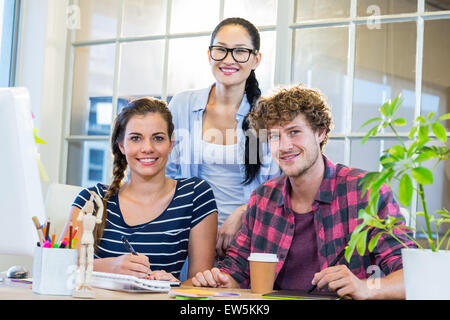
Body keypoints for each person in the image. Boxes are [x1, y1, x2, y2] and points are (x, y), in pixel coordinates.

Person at [191, 85, 417, 299]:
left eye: (294, 132)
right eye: (274, 136)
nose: (284, 146)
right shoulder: (262, 199)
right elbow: (235, 271)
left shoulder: (365, 191)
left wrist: (366, 287)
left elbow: (414, 276)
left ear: (320, 132)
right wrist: (220, 280)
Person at [63, 97, 218, 282]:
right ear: (121, 145)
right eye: (136, 138)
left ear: (171, 144)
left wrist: (174, 286)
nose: (147, 148)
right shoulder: (92, 199)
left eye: (158, 138)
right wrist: (110, 267)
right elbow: (60, 267)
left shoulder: (195, 195)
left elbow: (201, 285)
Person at [167, 17, 280, 257]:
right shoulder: (182, 104)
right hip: (187, 240)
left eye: (240, 52)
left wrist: (243, 212)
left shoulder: (268, 115)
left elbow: (279, 187)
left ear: (256, 59)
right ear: (209, 55)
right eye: (221, 50)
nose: (229, 59)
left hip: (249, 242)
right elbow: (164, 172)